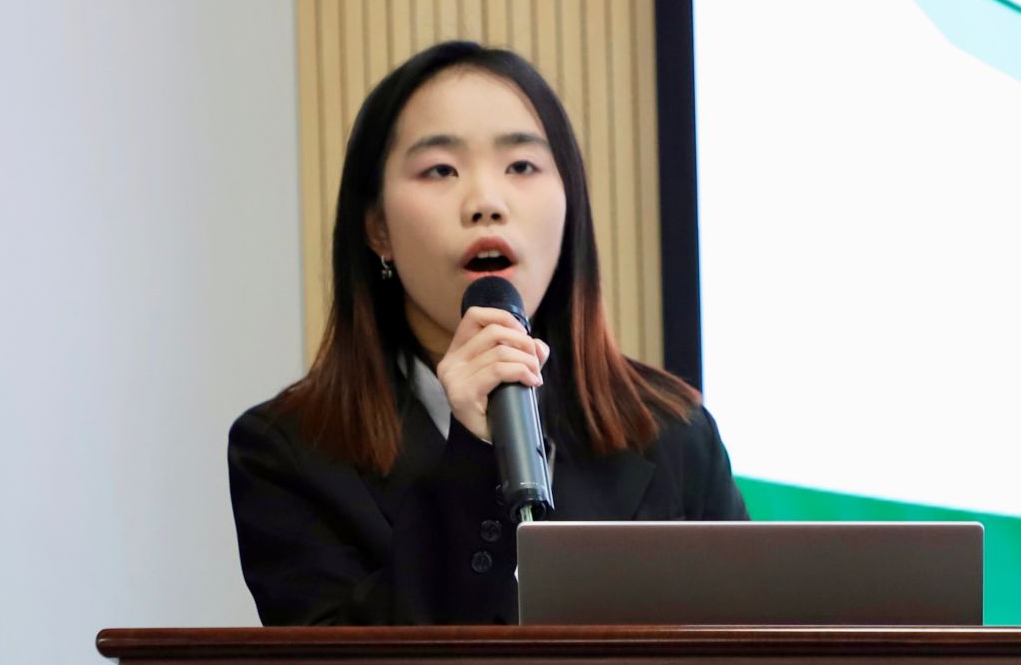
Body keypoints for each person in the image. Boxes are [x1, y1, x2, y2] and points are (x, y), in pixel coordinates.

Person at [228, 41, 748, 625]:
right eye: (440, 170)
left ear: (570, 205)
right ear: (378, 229)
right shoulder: (286, 452)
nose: (486, 203)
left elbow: (753, 661)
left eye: (521, 166)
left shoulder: (674, 434)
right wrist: (473, 459)